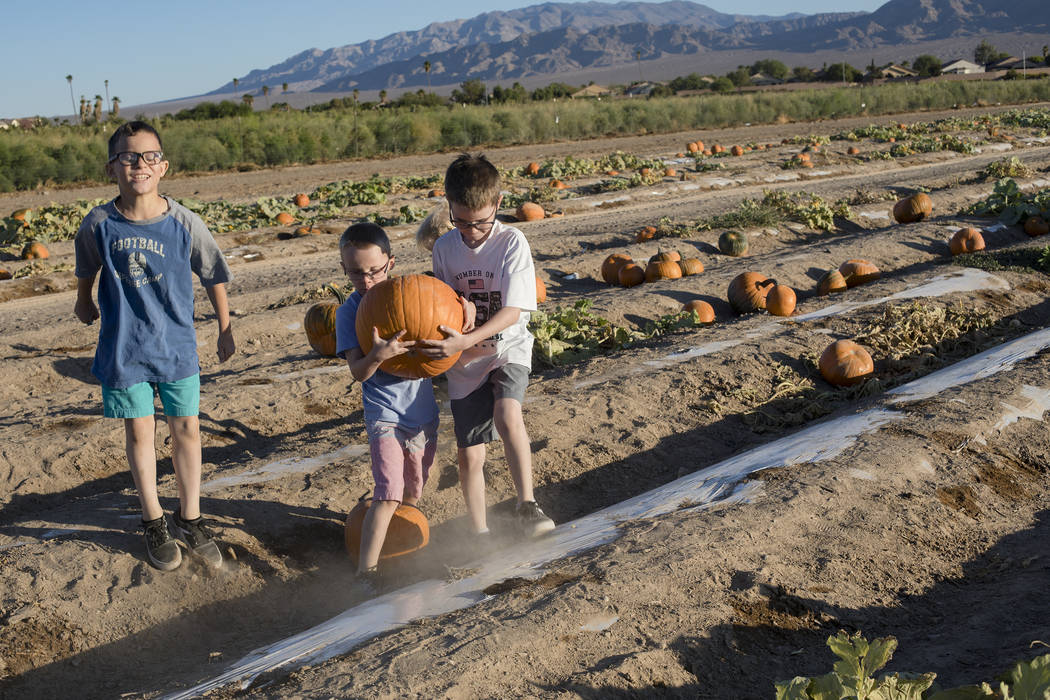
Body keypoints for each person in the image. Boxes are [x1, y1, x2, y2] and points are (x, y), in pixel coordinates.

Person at [74, 121, 235, 571]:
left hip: (178, 349)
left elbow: (214, 273)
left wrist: (225, 327)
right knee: (139, 433)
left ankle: (191, 518)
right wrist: (83, 300)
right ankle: (153, 521)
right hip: (124, 349)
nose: (138, 165)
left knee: (187, 431)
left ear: (162, 166)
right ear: (112, 167)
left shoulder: (185, 221)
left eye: (147, 157)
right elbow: (86, 268)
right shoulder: (99, 223)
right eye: (127, 156)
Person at [420, 153, 555, 539]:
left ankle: (526, 505)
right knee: (469, 454)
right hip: (465, 361)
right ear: (449, 209)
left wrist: (467, 337)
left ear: (497, 204)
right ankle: (479, 533)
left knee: (507, 414)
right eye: (461, 222)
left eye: (480, 223)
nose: (471, 232)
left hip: (506, 347)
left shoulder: (511, 241)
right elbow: (443, 301)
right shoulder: (445, 248)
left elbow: (513, 311)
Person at [335, 222, 440, 584]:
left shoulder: (408, 296)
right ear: (344, 270)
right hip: (385, 417)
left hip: (423, 414)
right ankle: (367, 572)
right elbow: (358, 372)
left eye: (373, 271)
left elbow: (445, 310)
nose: (365, 281)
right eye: (355, 273)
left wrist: (467, 311)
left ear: (390, 263)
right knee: (388, 493)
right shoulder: (348, 314)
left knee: (413, 491)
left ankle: (402, 553)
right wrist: (378, 355)